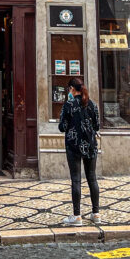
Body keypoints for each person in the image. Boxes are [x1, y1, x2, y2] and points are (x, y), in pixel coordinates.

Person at [57, 77, 100, 226]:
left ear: (72, 89)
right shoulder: (92, 104)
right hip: (90, 145)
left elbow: (62, 127)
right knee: (92, 178)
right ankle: (96, 214)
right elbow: (97, 126)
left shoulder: (68, 105)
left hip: (73, 146)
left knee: (76, 179)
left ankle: (76, 216)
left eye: (69, 89)